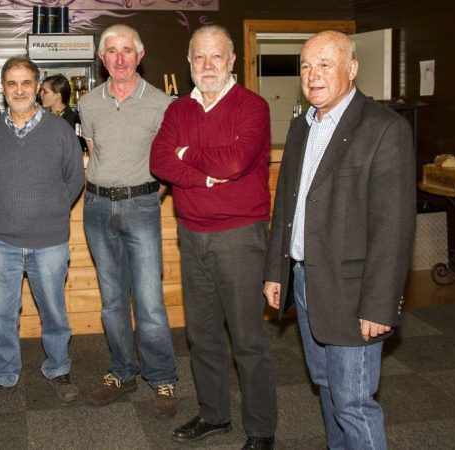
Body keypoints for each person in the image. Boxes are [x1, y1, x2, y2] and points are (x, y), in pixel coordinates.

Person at [263, 30, 416, 450]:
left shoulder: (385, 129)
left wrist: (380, 304)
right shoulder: (301, 126)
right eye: (306, 66)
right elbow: (288, 206)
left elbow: (394, 227)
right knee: (327, 389)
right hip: (307, 282)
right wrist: (277, 271)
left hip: (354, 294)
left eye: (325, 64)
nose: (313, 75)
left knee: (353, 402)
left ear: (352, 69)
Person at [150, 25, 277, 449]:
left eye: (216, 57)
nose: (207, 65)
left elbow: (238, 160)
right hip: (191, 234)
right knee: (201, 335)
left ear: (232, 61)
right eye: (199, 57)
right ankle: (214, 414)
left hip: (239, 237)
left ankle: (261, 430)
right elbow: (159, 160)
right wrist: (206, 177)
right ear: (188, 63)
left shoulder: (252, 106)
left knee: (247, 338)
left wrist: (188, 156)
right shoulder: (177, 111)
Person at [78, 24, 178, 419]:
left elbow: (169, 160)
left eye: (126, 51)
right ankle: (122, 372)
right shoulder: (88, 103)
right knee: (111, 301)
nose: (119, 58)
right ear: (102, 59)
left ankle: (163, 378)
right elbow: (92, 154)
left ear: (139, 56)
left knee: (150, 302)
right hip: (98, 209)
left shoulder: (161, 103)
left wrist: (154, 194)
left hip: (141, 207)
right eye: (111, 51)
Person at [0, 56, 84, 407]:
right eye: (12, 83)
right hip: (2, 241)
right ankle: (4, 376)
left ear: (38, 87)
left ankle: (58, 369)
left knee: (54, 311)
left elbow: (75, 178)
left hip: (50, 242)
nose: (19, 90)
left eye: (26, 83)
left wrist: (53, 209)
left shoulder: (59, 131)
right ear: (4, 88)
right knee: (0, 312)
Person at [39, 74, 86, 152]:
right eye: (41, 91)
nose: (41, 94)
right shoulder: (41, 117)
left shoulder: (74, 120)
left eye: (45, 92)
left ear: (58, 95)